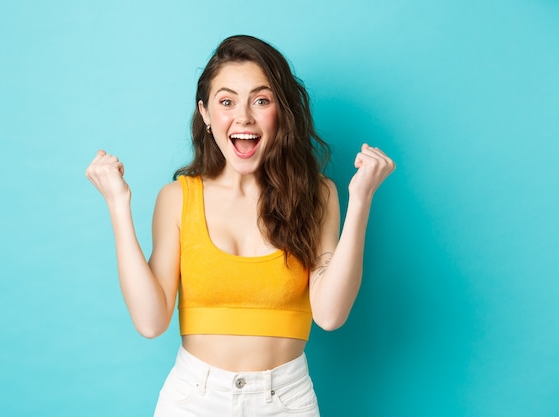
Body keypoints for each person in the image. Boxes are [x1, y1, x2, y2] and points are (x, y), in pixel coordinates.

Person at [85, 35, 395, 417]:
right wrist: (118, 206)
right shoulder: (177, 199)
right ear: (205, 114)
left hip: (286, 401)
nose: (244, 116)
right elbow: (151, 322)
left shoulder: (317, 195)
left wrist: (361, 200)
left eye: (261, 100)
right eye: (227, 101)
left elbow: (330, 315)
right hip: (192, 399)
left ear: (282, 111)